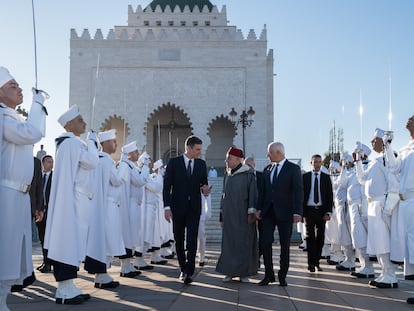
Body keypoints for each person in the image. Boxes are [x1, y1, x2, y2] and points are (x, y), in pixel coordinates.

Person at [0, 66, 47, 310]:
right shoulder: (3, 118)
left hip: (17, 196)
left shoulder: (12, 118)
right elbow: (32, 132)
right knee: (4, 248)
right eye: (12, 86)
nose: (19, 89)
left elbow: (33, 132)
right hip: (5, 195)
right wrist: (38, 102)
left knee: (14, 248)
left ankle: (3, 299)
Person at [44, 105, 99, 305]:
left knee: (71, 242)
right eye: (80, 120)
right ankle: (64, 289)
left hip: (75, 199)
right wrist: (92, 142)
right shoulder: (73, 144)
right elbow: (92, 162)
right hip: (74, 201)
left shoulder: (68, 144)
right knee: (68, 241)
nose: (84, 123)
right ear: (69, 125)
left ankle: (69, 286)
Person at [163, 135, 211, 284]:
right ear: (188, 148)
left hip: (194, 208)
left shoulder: (201, 164)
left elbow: (204, 184)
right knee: (179, 239)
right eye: (197, 149)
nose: (199, 152)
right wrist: (167, 207)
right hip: (178, 207)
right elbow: (166, 188)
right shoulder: (174, 163)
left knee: (192, 240)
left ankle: (189, 271)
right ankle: (182, 268)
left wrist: (206, 190)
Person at [256, 142, 303, 287]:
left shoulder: (293, 169)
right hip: (268, 212)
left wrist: (297, 212)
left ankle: (282, 275)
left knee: (284, 245)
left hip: (286, 213)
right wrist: (258, 209)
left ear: (278, 153)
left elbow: (298, 191)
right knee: (265, 242)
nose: (267, 155)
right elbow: (262, 192)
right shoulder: (267, 169)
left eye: (269, 153)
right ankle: (268, 275)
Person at [355, 130, 398, 288]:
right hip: (372, 204)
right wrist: (358, 162)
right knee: (376, 242)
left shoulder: (387, 158)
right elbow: (362, 179)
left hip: (381, 203)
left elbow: (393, 180)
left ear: (383, 141)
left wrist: (389, 205)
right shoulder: (374, 161)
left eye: (375, 140)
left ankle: (391, 275)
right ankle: (384, 272)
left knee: (383, 241)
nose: (372, 143)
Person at [383, 116, 414, 303]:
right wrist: (387, 147)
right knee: (410, 245)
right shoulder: (406, 148)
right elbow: (394, 168)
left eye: (412, 118)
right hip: (406, 203)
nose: (408, 120)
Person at [216, 147, 258, 282]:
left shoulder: (248, 174)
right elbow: (224, 196)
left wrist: (251, 212)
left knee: (243, 244)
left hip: (243, 216)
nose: (226, 160)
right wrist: (221, 215)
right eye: (227, 157)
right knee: (229, 245)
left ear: (238, 160)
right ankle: (229, 272)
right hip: (229, 217)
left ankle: (244, 273)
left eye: (229, 158)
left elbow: (253, 194)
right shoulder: (227, 175)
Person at [303, 154, 333, 272]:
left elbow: (330, 196)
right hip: (309, 210)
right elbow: (301, 195)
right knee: (310, 237)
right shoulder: (305, 177)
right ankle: (311, 263)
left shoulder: (326, 177)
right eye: (315, 162)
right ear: (311, 163)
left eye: (319, 162)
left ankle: (317, 261)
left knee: (320, 237)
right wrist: (300, 212)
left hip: (321, 210)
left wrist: (328, 212)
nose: (317, 164)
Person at [36, 155, 54, 274]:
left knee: (49, 239)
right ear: (43, 163)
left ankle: (49, 264)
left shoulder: (55, 177)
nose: (51, 164)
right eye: (48, 162)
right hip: (40, 212)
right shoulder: (38, 177)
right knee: (42, 238)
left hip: (51, 212)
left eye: (52, 162)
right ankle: (45, 261)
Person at [197, 192, 212, 267]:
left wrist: (207, 215)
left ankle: (201, 256)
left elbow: (207, 200)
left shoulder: (204, 184)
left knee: (201, 237)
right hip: (189, 215)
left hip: (200, 216)